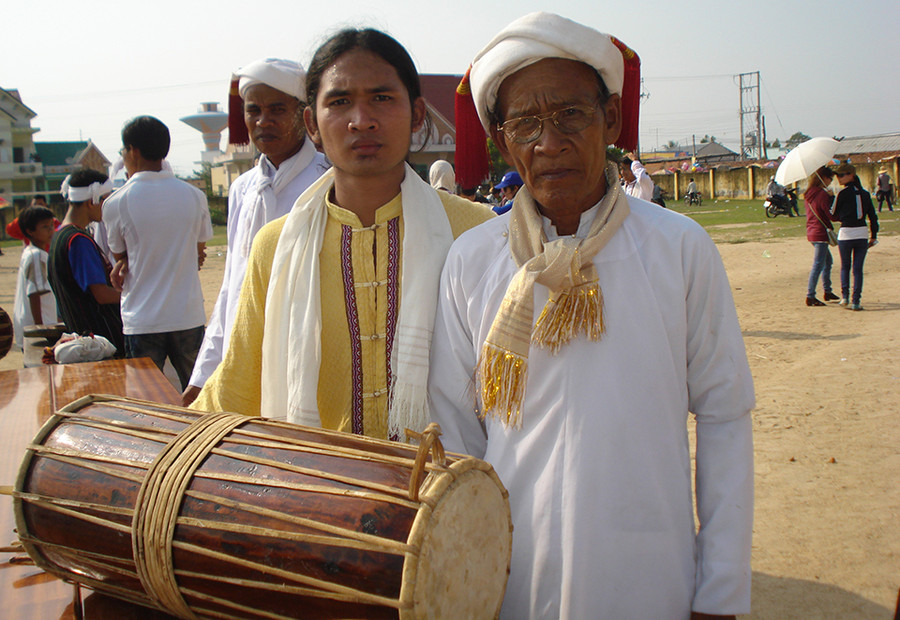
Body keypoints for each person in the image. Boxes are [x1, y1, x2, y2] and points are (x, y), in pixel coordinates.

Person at [428, 13, 754, 619]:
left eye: (570, 115)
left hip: (651, 574)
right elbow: (455, 434)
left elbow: (724, 412)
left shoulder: (678, 248)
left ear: (611, 119)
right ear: (501, 140)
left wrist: (722, 587)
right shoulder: (471, 261)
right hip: (510, 577)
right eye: (525, 123)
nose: (548, 143)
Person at [191, 28, 494, 440]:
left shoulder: (475, 231)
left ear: (418, 114)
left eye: (382, 98)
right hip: (316, 490)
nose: (361, 120)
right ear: (311, 124)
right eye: (339, 102)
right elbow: (238, 383)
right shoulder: (276, 245)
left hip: (448, 491)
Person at [182, 58, 329, 406]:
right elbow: (231, 288)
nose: (264, 121)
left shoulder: (329, 182)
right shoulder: (244, 190)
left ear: (304, 115)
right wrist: (204, 374)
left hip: (305, 361)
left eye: (277, 109)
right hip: (244, 360)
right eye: (254, 111)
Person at [103, 116, 213, 389]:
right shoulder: (193, 195)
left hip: (143, 318)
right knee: (198, 395)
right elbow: (200, 252)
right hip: (187, 314)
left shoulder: (117, 201)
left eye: (123, 151)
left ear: (133, 151)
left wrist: (129, 261)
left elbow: (119, 255)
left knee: (146, 400)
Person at [48, 170, 125, 353]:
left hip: (84, 335)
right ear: (92, 202)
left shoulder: (60, 235)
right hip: (98, 338)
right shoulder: (78, 240)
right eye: (105, 199)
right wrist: (136, 298)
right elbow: (101, 294)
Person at [831, 163, 878, 310]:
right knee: (858, 269)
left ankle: (845, 297)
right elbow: (872, 217)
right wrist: (873, 235)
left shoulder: (842, 194)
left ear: (851, 175)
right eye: (838, 175)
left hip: (846, 234)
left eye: (842, 175)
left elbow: (833, 215)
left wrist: (830, 200)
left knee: (845, 267)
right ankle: (856, 301)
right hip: (861, 233)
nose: (838, 178)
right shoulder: (865, 194)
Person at [12, 205, 57, 349]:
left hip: (33, 325)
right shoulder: (36, 256)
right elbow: (35, 293)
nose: (51, 230)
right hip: (38, 328)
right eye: (45, 227)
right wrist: (40, 329)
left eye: (51, 225)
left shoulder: (32, 252)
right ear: (30, 231)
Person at [803, 166, 839, 307]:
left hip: (812, 231)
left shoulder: (808, 193)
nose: (830, 182)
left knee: (827, 261)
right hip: (820, 232)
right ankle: (810, 295)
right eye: (830, 179)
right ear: (823, 178)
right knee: (818, 264)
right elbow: (829, 214)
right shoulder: (822, 194)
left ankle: (827, 290)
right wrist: (832, 198)